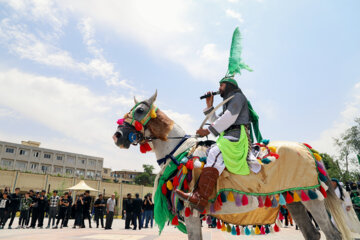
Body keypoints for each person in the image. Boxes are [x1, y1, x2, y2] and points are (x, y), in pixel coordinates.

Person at [176, 78, 252, 211]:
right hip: (227, 135)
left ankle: (200, 198)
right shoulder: (228, 101)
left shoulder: (238, 97)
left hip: (236, 136)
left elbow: (229, 118)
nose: (219, 88)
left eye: (221, 85)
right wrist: (210, 106)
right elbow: (218, 121)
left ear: (229, 86)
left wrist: (207, 130)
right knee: (208, 151)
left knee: (214, 152)